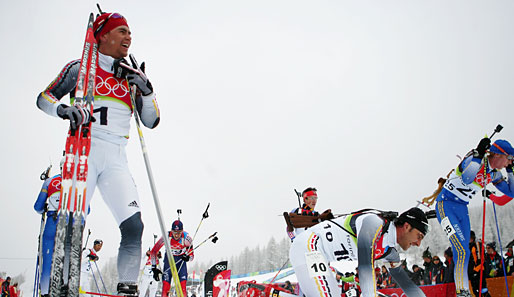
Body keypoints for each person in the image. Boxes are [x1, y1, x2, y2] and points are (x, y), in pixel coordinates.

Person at [36, 11, 160, 295]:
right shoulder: (80, 67)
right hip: (85, 149)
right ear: (103, 35)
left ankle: (127, 287)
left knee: (134, 227)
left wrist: (147, 91)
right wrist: (62, 110)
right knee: (72, 225)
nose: (129, 37)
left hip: (117, 156)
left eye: (130, 32)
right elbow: (44, 98)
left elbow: (152, 121)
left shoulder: (131, 77)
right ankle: (62, 282)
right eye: (122, 31)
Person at [289, 207, 430, 297]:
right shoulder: (374, 223)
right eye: (419, 236)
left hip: (320, 255)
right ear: (406, 226)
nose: (418, 244)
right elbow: (365, 266)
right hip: (309, 245)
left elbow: (407, 285)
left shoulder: (389, 252)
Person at [435, 138, 514, 297]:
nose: (509, 162)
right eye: (509, 159)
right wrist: (478, 155)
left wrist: (511, 170)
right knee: (461, 249)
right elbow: (467, 178)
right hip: (446, 205)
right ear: (498, 154)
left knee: (465, 252)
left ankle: (464, 291)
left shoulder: (494, 173)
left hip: (462, 209)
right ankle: (462, 291)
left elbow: (511, 192)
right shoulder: (475, 159)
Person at [34, 163, 62, 297]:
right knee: (67, 256)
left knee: (47, 258)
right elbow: (87, 209)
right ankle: (65, 288)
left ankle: (45, 291)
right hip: (69, 223)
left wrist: (46, 207)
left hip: (52, 220)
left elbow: (38, 207)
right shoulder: (76, 182)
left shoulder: (50, 181)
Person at [150, 220, 194, 297]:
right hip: (169, 261)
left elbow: (192, 256)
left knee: (182, 289)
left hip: (181, 261)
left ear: (182, 231)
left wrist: (187, 258)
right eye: (174, 232)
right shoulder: (166, 237)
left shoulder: (187, 239)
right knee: (165, 289)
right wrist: (154, 267)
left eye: (179, 232)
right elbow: (154, 251)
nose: (176, 235)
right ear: (171, 230)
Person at [468, 231, 491, 297]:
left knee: (483, 290)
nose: (470, 239)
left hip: (479, 271)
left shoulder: (477, 245)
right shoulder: (468, 247)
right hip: (471, 273)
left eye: (471, 238)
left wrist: (476, 269)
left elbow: (481, 259)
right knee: (475, 291)